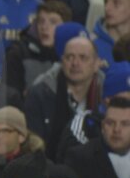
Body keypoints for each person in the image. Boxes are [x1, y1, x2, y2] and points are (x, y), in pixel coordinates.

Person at [25, 29, 103, 159]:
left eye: (83, 57)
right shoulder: (40, 94)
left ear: (96, 64)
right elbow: (33, 147)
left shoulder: (106, 95)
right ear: (62, 62)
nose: (75, 63)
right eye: (69, 57)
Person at [6, 0, 70, 97]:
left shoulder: (72, 56)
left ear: (66, 27)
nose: (44, 27)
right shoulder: (18, 53)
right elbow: (11, 97)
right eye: (41, 21)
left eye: (53, 22)